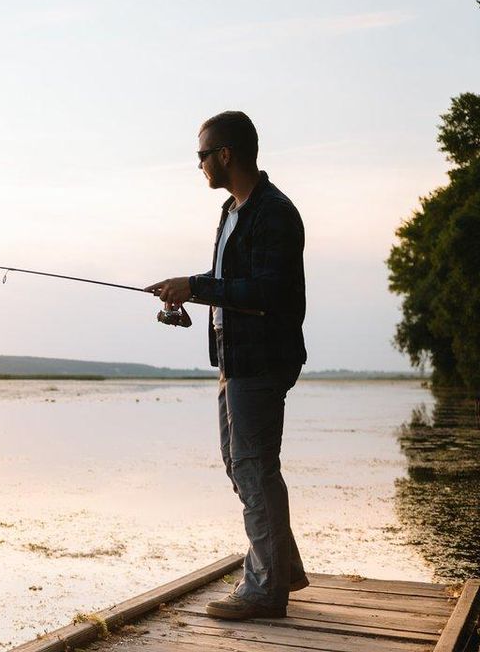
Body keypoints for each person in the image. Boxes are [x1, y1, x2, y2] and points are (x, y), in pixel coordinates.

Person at [146, 111, 309, 621]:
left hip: (262, 361)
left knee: (255, 467)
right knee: (239, 465)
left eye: (202, 154)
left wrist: (196, 288)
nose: (197, 164)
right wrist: (187, 290)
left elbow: (264, 292)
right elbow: (225, 280)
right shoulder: (230, 211)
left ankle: (265, 590)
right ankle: (282, 568)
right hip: (232, 360)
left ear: (226, 154)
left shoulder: (275, 213)